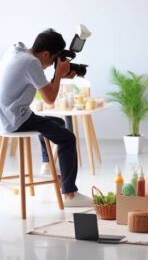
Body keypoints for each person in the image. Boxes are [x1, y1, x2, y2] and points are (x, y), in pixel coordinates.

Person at [0, 29, 92, 207]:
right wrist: (58, 75)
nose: (50, 65)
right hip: (14, 119)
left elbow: (41, 85)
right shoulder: (31, 63)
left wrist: (58, 76)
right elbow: (50, 100)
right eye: (52, 60)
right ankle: (70, 194)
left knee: (56, 123)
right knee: (67, 138)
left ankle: (48, 166)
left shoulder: (17, 51)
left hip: (4, 116)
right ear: (45, 54)